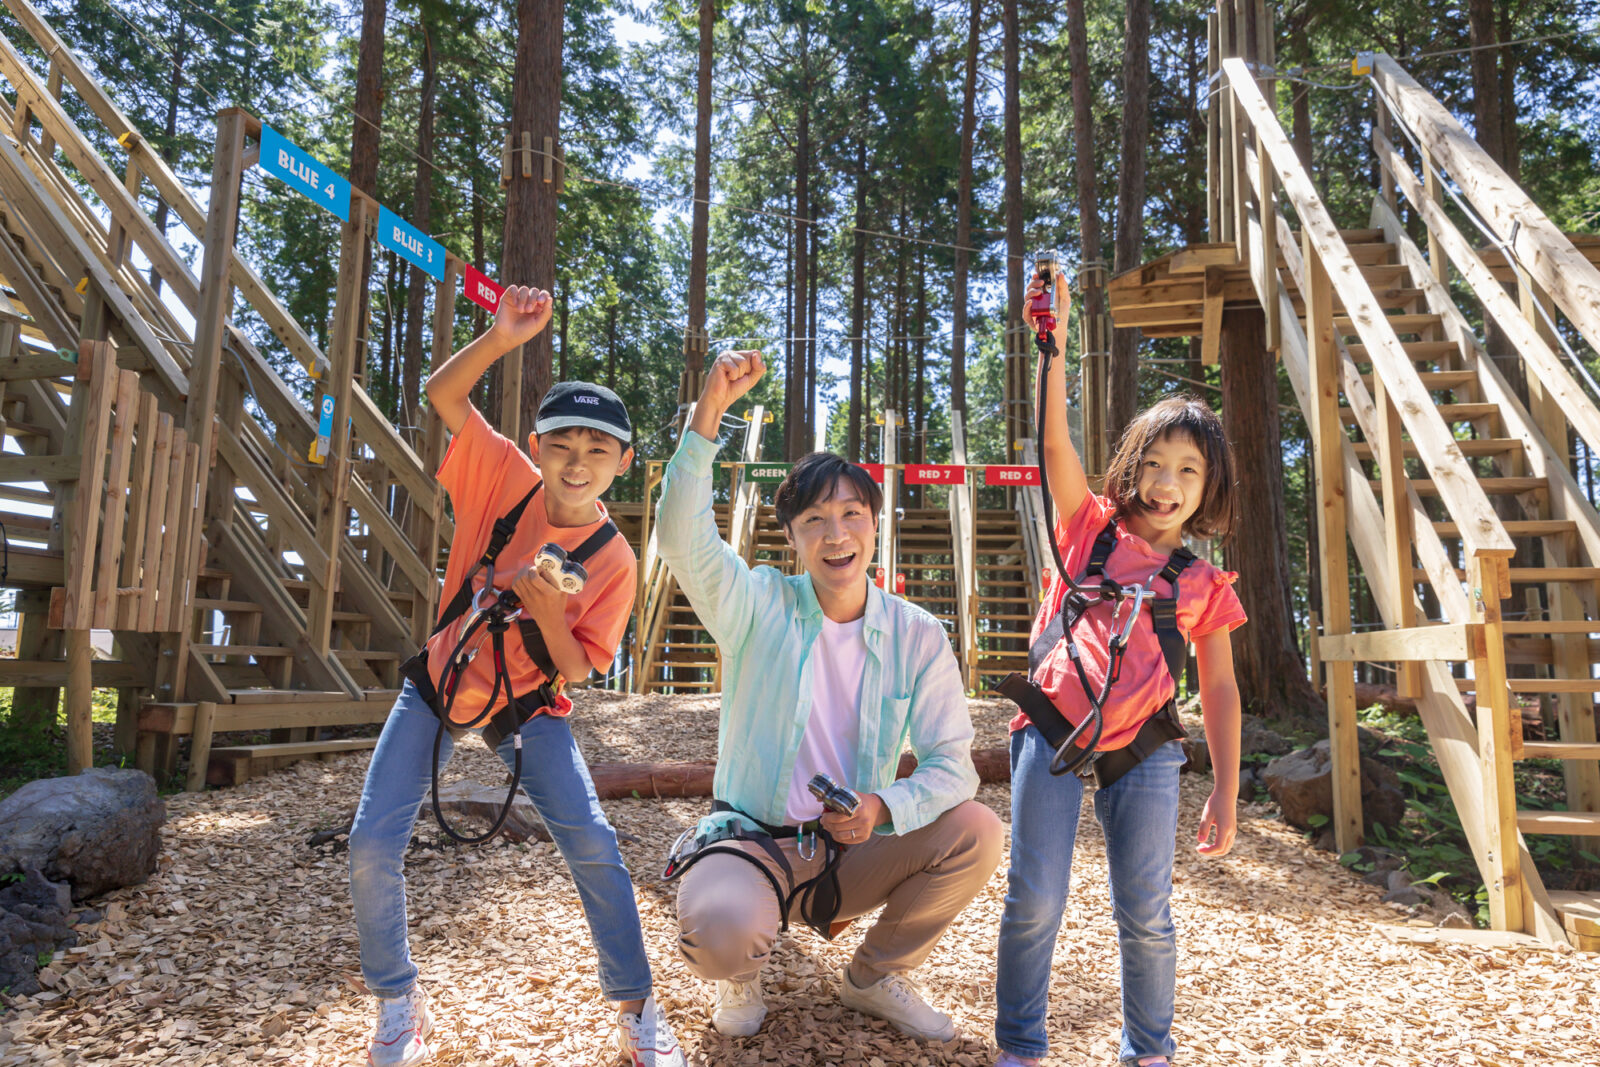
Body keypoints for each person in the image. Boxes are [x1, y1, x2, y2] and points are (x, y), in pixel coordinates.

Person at [347, 286, 688, 1067]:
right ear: (535, 446)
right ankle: (399, 996)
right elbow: (442, 394)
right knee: (371, 840)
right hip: (440, 679)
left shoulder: (616, 560)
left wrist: (547, 615)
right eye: (561, 445)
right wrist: (501, 337)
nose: (577, 463)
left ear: (624, 464)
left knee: (594, 841)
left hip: (529, 703)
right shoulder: (500, 476)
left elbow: (579, 667)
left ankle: (636, 1007)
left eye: (598, 451)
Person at [655, 349, 1003, 1043]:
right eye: (814, 519)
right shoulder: (756, 603)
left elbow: (953, 764)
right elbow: (680, 537)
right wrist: (708, 413)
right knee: (720, 930)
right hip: (753, 838)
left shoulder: (917, 632)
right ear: (790, 537)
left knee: (978, 830)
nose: (835, 533)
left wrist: (883, 806)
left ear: (876, 523)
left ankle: (872, 977)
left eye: (851, 513)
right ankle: (740, 968)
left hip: (851, 850)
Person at [991, 272, 1247, 1067]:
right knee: (1035, 897)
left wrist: (1230, 789)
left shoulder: (1201, 583)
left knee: (1146, 909)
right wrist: (1053, 345)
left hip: (1147, 749)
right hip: (1053, 727)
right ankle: (1023, 1046)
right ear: (1133, 464)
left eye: (1189, 472)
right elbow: (1056, 444)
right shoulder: (1087, 530)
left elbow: (1222, 688)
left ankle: (1150, 1050)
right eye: (1158, 463)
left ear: (1208, 490)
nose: (1168, 484)